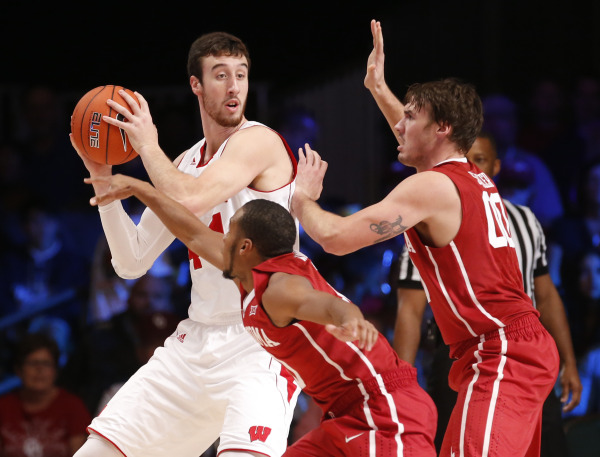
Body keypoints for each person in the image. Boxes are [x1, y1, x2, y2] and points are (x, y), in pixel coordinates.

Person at [290, 19, 560, 457]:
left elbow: (336, 238)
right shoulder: (468, 176)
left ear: (443, 128)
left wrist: (302, 200)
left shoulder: (429, 188)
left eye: (412, 117)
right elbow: (420, 140)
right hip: (505, 348)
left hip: (501, 352)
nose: (399, 126)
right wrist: (378, 88)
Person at [82, 174, 438, 457]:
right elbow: (190, 230)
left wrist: (350, 318)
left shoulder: (280, 287)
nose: (220, 240)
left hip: (385, 410)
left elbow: (325, 304)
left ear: (246, 247)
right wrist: (142, 188)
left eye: (229, 234)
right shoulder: (250, 270)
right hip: (342, 412)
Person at [70, 32, 299, 457]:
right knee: (95, 452)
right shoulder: (185, 163)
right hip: (197, 341)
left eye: (241, 75)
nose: (234, 87)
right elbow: (132, 261)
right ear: (196, 85)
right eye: (220, 75)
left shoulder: (259, 141)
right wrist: (102, 175)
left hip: (261, 340)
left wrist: (146, 145)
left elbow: (192, 197)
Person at [395, 132, 582, 455]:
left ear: (495, 168)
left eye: (478, 160)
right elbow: (410, 308)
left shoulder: (525, 219)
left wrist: (570, 361)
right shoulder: (430, 216)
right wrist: (401, 383)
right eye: (464, 159)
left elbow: (547, 294)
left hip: (523, 348)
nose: (469, 167)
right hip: (462, 350)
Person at [0, 332, 91, 457]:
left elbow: (79, 454)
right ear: (18, 370)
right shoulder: (4, 407)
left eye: (46, 363)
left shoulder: (72, 405)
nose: (39, 370)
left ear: (55, 371)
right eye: (32, 363)